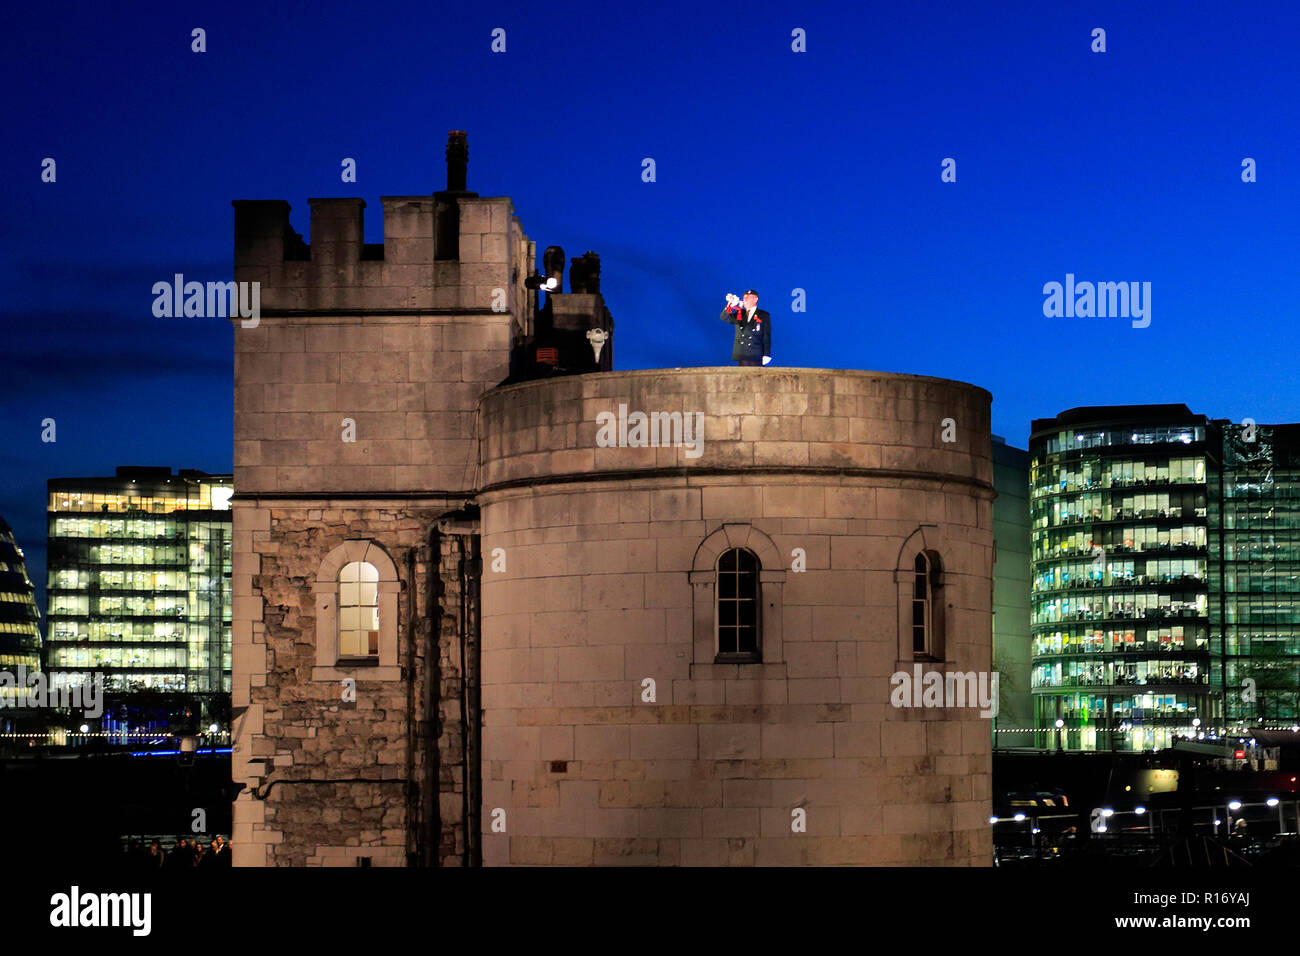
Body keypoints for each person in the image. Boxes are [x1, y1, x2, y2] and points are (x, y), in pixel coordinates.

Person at [720, 289, 771, 366]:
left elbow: (766, 336)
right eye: (744, 297)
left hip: (756, 353)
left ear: (755, 299)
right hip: (742, 353)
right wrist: (730, 304)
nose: (745, 299)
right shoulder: (740, 313)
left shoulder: (763, 315)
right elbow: (724, 317)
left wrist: (767, 354)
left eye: (748, 297)